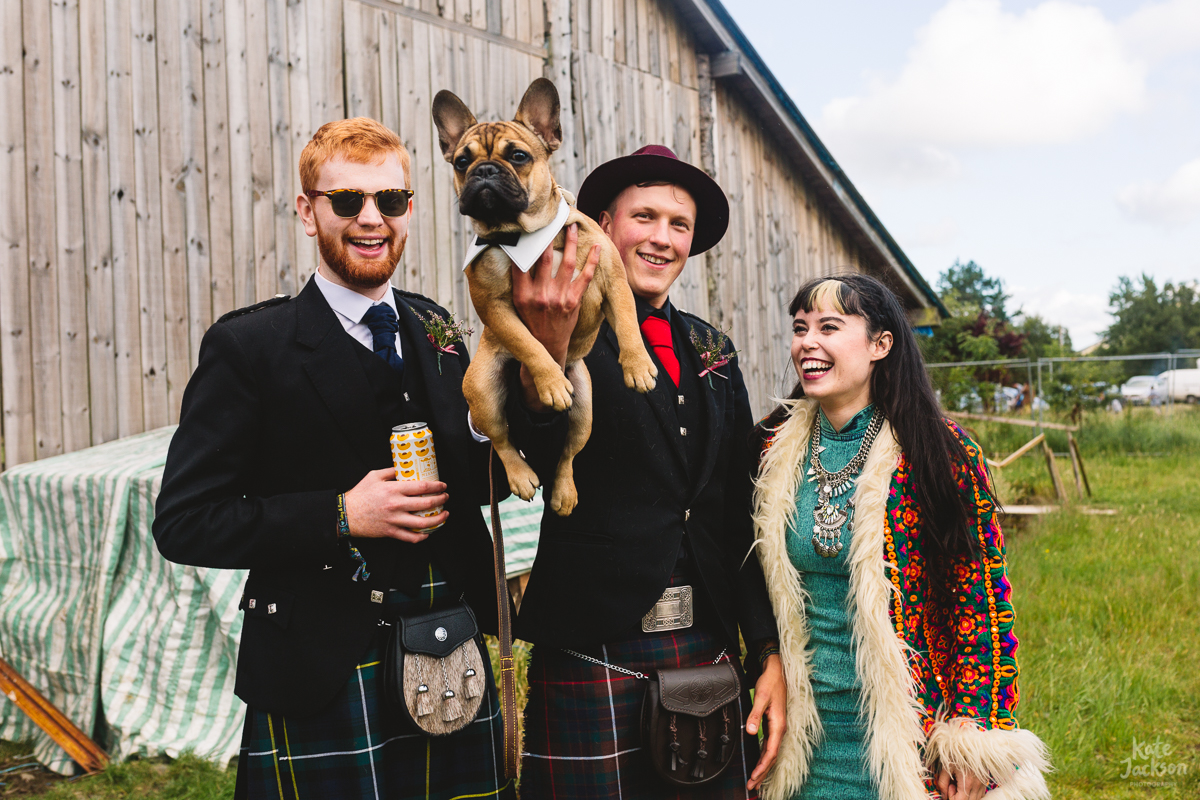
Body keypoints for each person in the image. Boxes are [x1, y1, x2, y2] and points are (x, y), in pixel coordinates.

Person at [152, 118, 529, 799]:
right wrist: (340, 514)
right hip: (324, 666)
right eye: (346, 200)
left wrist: (489, 436)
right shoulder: (252, 347)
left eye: (390, 200)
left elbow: (480, 485)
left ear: (409, 208)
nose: (370, 219)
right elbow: (184, 522)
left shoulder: (434, 326)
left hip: (450, 641)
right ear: (307, 211)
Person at [507, 145, 786, 798]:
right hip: (593, 644)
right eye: (646, 217)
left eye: (678, 225)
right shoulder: (557, 330)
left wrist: (766, 647)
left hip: (705, 646)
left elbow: (734, 510)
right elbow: (526, 450)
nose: (662, 238)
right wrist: (544, 351)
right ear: (604, 224)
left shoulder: (713, 349)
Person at [748, 275, 1050, 800]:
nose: (807, 343)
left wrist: (977, 731)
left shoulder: (937, 450)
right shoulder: (770, 449)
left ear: (881, 344)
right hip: (801, 737)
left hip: (909, 737)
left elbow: (979, 598)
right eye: (800, 328)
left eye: (829, 327)